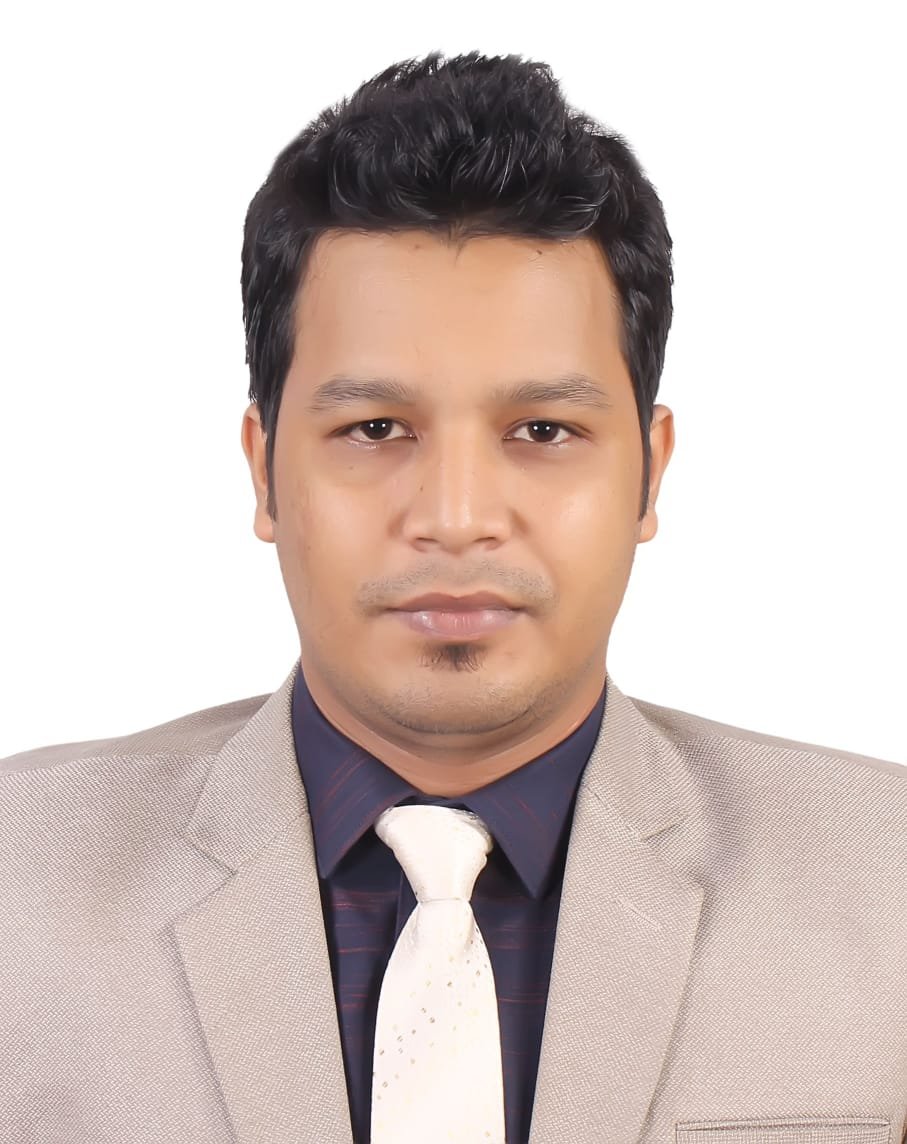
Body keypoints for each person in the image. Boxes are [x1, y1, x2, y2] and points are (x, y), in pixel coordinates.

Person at [1, 48, 903, 1144]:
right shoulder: (19, 880)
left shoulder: (886, 880)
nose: (457, 515)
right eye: (375, 428)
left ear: (649, 472)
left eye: (543, 430)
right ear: (265, 470)